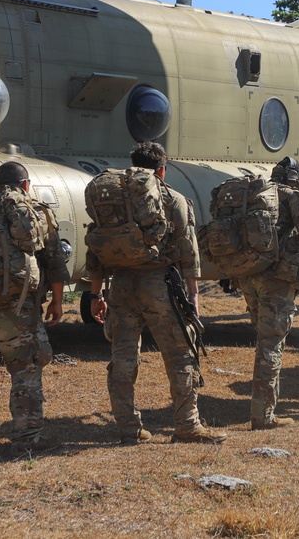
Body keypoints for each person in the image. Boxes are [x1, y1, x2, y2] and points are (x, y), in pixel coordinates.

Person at [89, 142, 227, 444]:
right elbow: (189, 252)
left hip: (121, 284)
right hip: (159, 283)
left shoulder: (112, 199)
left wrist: (95, 295)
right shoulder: (173, 198)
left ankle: (128, 427)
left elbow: (96, 248)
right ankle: (187, 425)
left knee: (123, 356)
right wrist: (194, 297)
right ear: (162, 169)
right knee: (180, 355)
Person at [0, 161, 69, 454]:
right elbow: (55, 263)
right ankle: (27, 437)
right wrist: (56, 302)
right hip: (17, 309)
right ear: (26, 185)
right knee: (25, 370)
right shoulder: (32, 213)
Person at [240, 157, 299, 429]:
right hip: (277, 280)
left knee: (264, 339)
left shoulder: (254, 196)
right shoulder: (294, 197)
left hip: (248, 275)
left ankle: (263, 408)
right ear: (297, 180)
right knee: (271, 344)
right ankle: (263, 416)